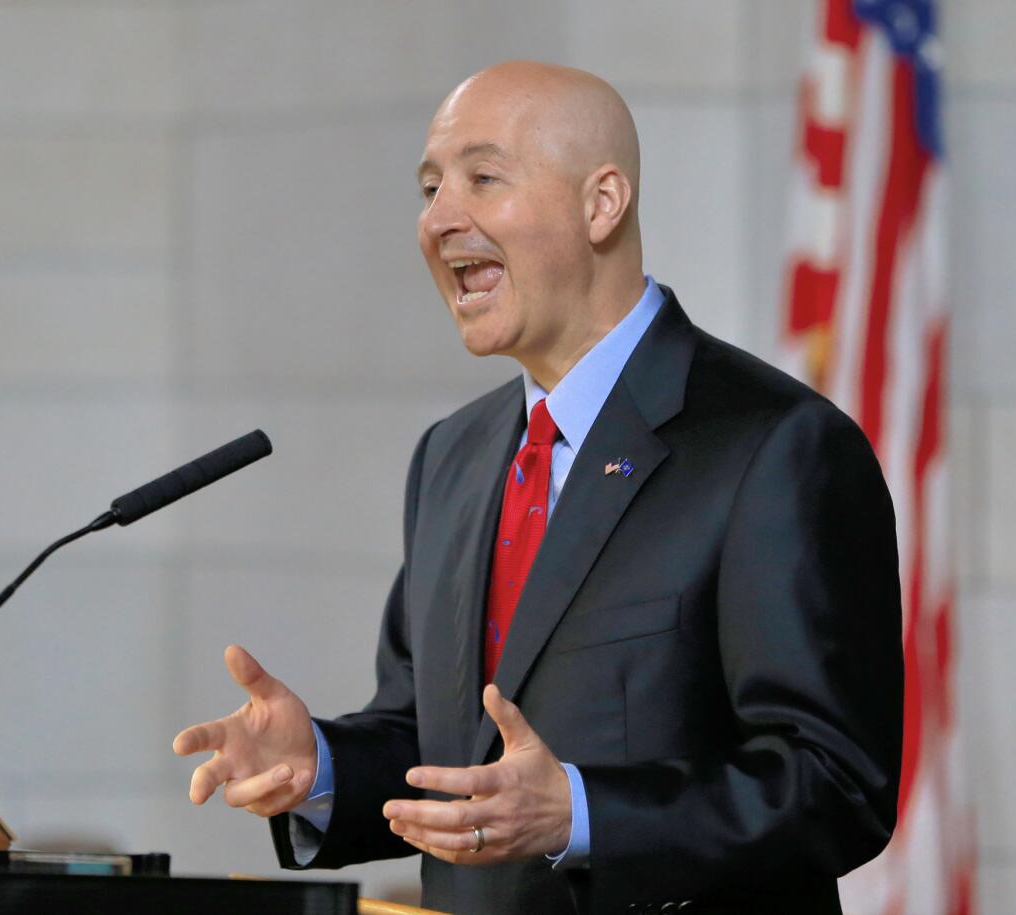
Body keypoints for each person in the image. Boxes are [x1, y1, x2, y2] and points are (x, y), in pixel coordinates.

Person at [173, 61, 903, 915]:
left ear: (602, 204)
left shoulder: (776, 445)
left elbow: (835, 781)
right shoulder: (452, 455)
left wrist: (584, 814)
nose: (440, 218)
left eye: (482, 177)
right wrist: (322, 767)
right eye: (429, 186)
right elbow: (438, 747)